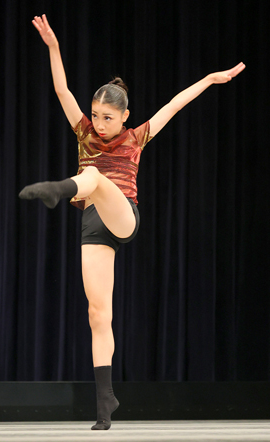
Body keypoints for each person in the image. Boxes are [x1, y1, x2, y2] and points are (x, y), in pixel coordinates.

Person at [19, 14, 246, 431]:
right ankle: (105, 400)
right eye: (95, 115)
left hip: (123, 215)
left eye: (108, 117)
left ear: (125, 117)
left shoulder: (137, 137)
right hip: (93, 223)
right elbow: (61, 89)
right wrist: (53, 47)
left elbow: (175, 103)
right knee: (97, 313)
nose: (99, 123)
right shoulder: (84, 132)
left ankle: (58, 188)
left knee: (94, 177)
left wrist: (211, 79)